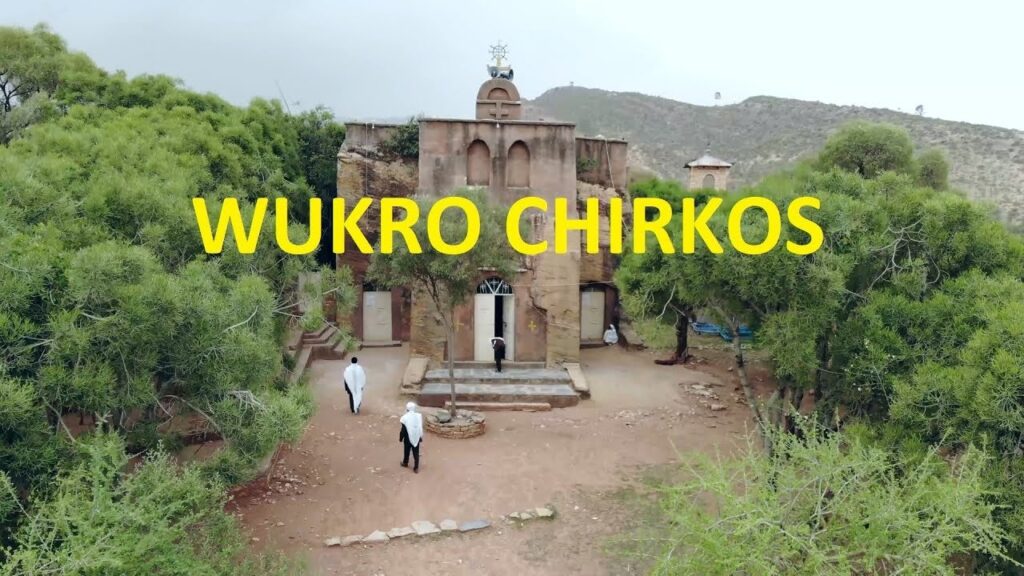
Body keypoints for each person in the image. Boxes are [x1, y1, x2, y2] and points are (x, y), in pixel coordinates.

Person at [399, 402, 423, 473]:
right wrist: (420, 437)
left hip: (407, 438)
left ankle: (405, 463)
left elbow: (403, 430)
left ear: (407, 409)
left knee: (406, 451)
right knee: (416, 452)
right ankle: (416, 468)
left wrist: (401, 438)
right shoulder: (418, 416)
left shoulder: (404, 418)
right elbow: (419, 428)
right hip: (416, 437)